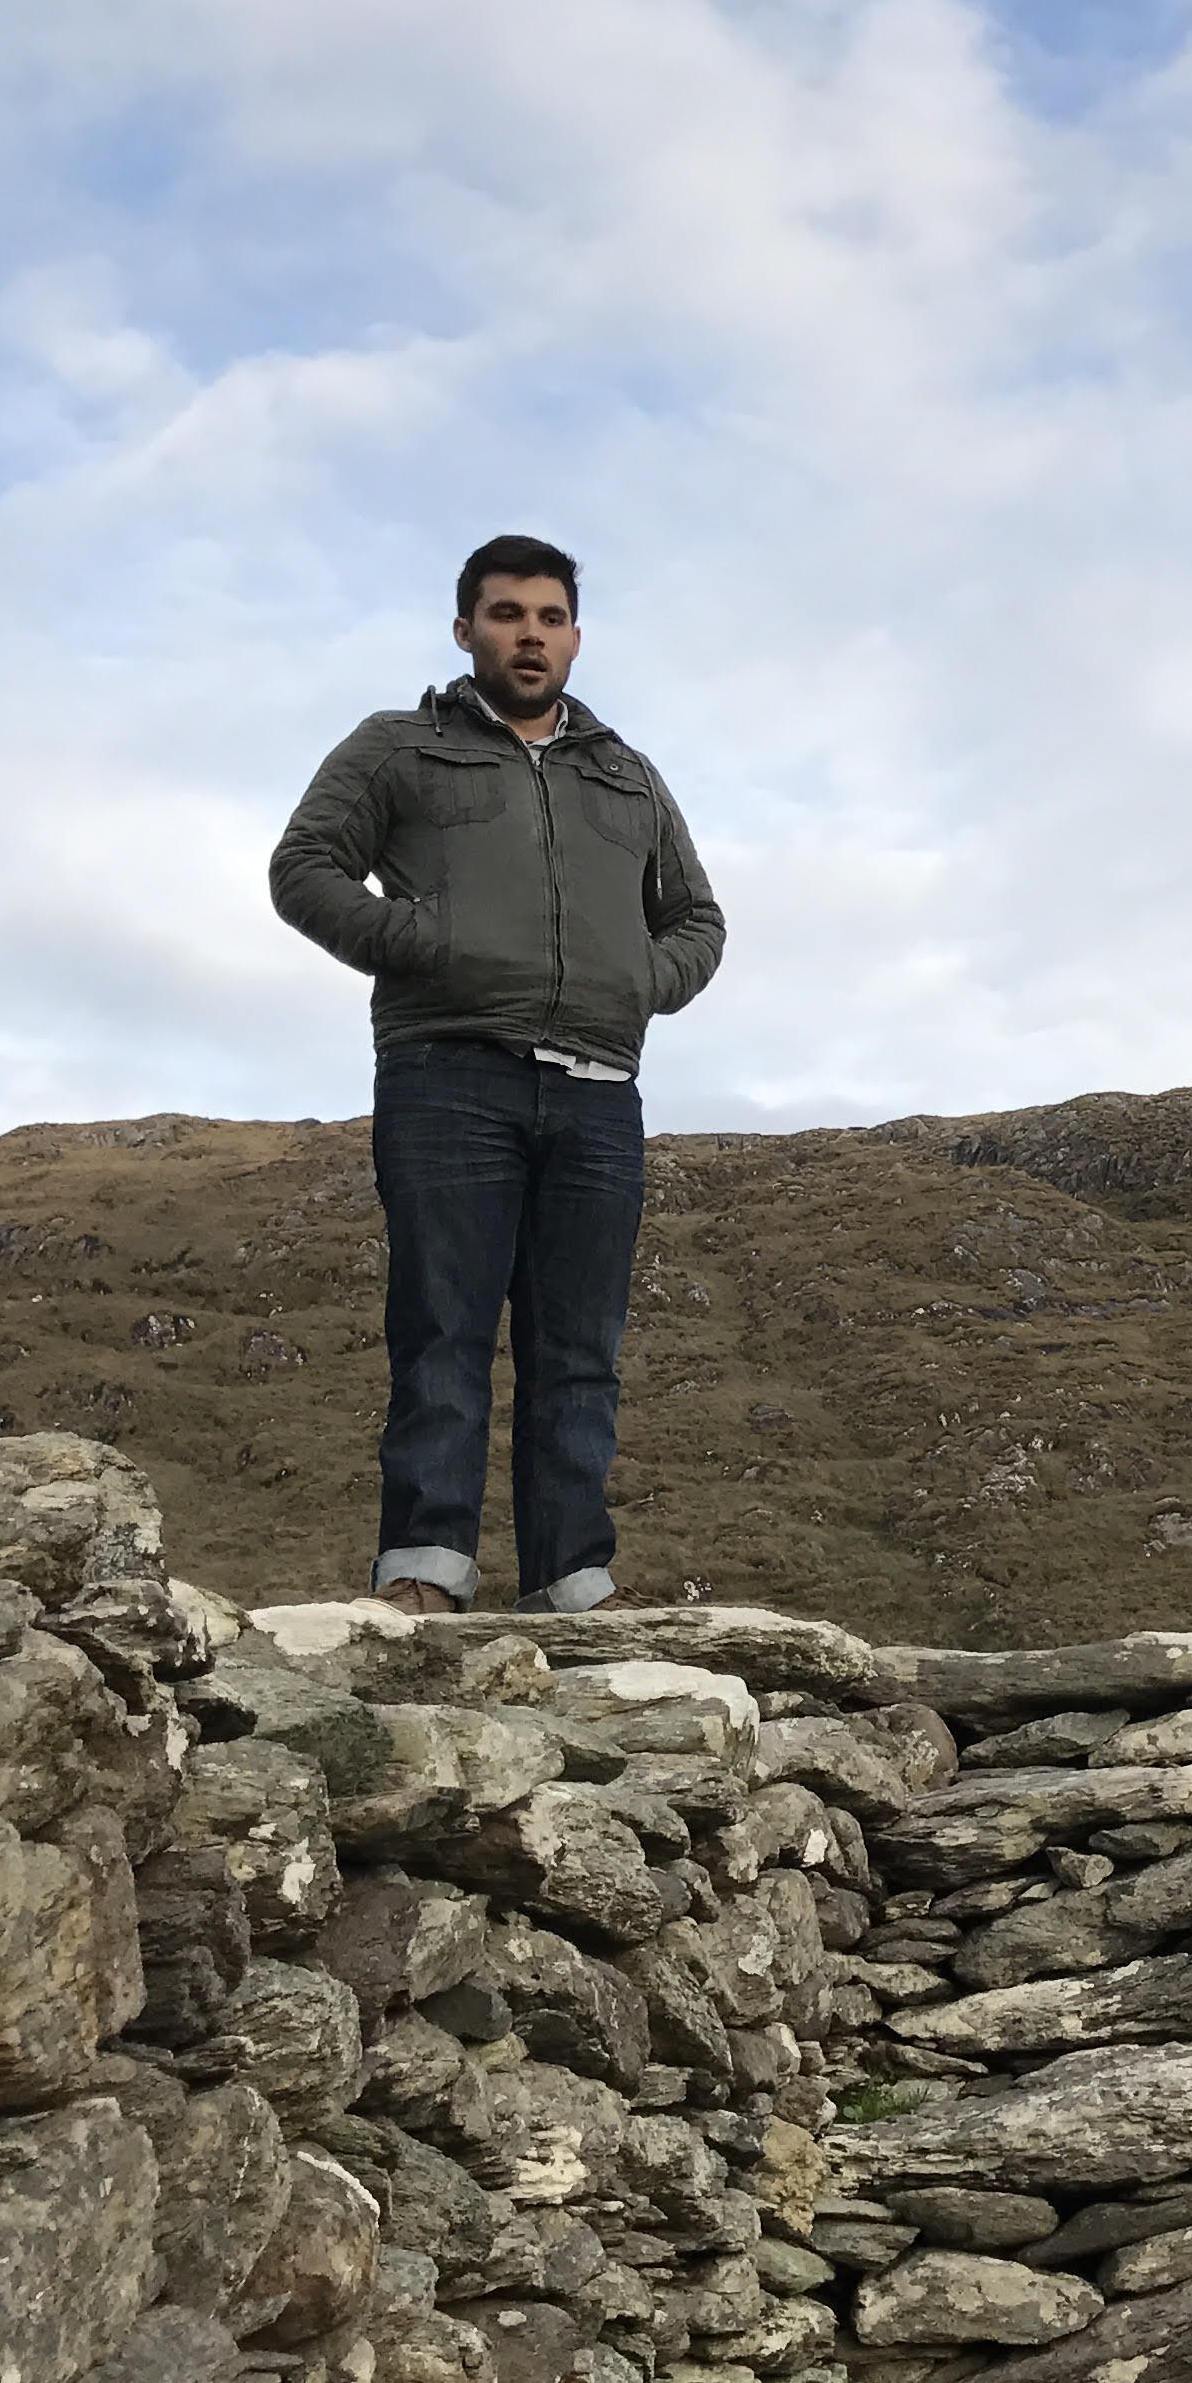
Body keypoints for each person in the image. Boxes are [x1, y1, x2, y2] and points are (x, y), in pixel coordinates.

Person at [269, 534, 725, 1616]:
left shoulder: (628, 773)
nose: (531, 634)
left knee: (580, 1351)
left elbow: (698, 919)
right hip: (448, 1075)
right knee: (445, 1329)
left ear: (575, 635)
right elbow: (304, 867)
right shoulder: (400, 748)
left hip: (599, 1091)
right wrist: (426, 941)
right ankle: (426, 1569)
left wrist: (636, 981)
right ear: (465, 626)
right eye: (508, 614)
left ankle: (573, 1577)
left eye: (551, 617)